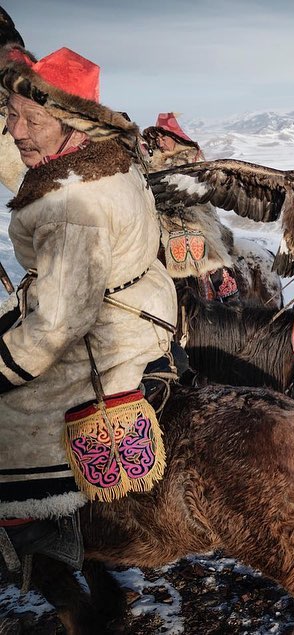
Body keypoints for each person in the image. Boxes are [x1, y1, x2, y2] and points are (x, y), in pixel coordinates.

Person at [0, 46, 177, 521]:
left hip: (103, 339)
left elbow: (57, 326)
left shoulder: (70, 207)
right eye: (10, 115)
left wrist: (5, 367)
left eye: (31, 120)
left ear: (72, 124)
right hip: (143, 306)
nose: (16, 131)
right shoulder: (106, 155)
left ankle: (33, 527)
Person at [142, 113, 282, 307]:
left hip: (197, 218)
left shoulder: (193, 161)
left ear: (175, 138)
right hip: (163, 219)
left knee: (200, 251)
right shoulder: (152, 164)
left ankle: (223, 297)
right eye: (156, 138)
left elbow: (192, 194)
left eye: (163, 136)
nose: (160, 142)